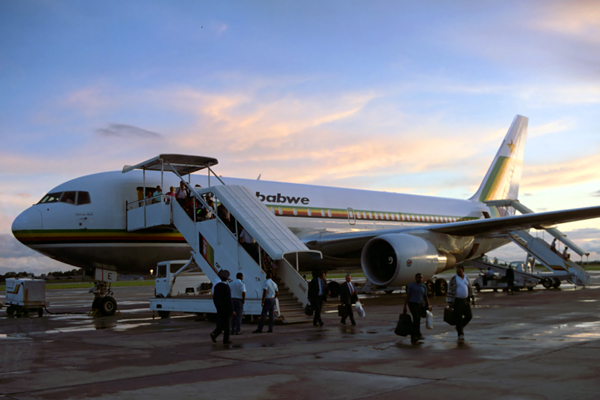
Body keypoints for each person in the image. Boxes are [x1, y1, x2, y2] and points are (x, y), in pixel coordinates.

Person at [447, 265, 475, 342]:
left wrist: (473, 298)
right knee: (458, 317)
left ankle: (460, 327)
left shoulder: (466, 278)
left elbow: (470, 288)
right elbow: (450, 291)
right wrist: (450, 302)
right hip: (457, 301)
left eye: (459, 270)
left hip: (466, 300)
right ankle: (460, 334)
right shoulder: (453, 279)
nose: (458, 272)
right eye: (457, 270)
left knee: (469, 316)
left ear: (463, 270)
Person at [403, 273, 431, 343]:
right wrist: (405, 306)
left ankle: (417, 334)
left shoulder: (424, 286)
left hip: (420, 304)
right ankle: (415, 335)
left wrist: (428, 305)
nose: (420, 279)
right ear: (416, 278)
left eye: (421, 277)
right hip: (412, 304)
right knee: (416, 318)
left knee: (418, 319)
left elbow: (425, 296)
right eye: (419, 277)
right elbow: (408, 296)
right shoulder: (411, 286)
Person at [210, 270, 235, 345]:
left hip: (219, 308)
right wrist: (232, 310)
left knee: (222, 324)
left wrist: (217, 306)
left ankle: (215, 334)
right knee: (227, 325)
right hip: (226, 309)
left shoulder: (217, 286)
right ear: (227, 278)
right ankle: (225, 339)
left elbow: (214, 298)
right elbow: (228, 300)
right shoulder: (226, 287)